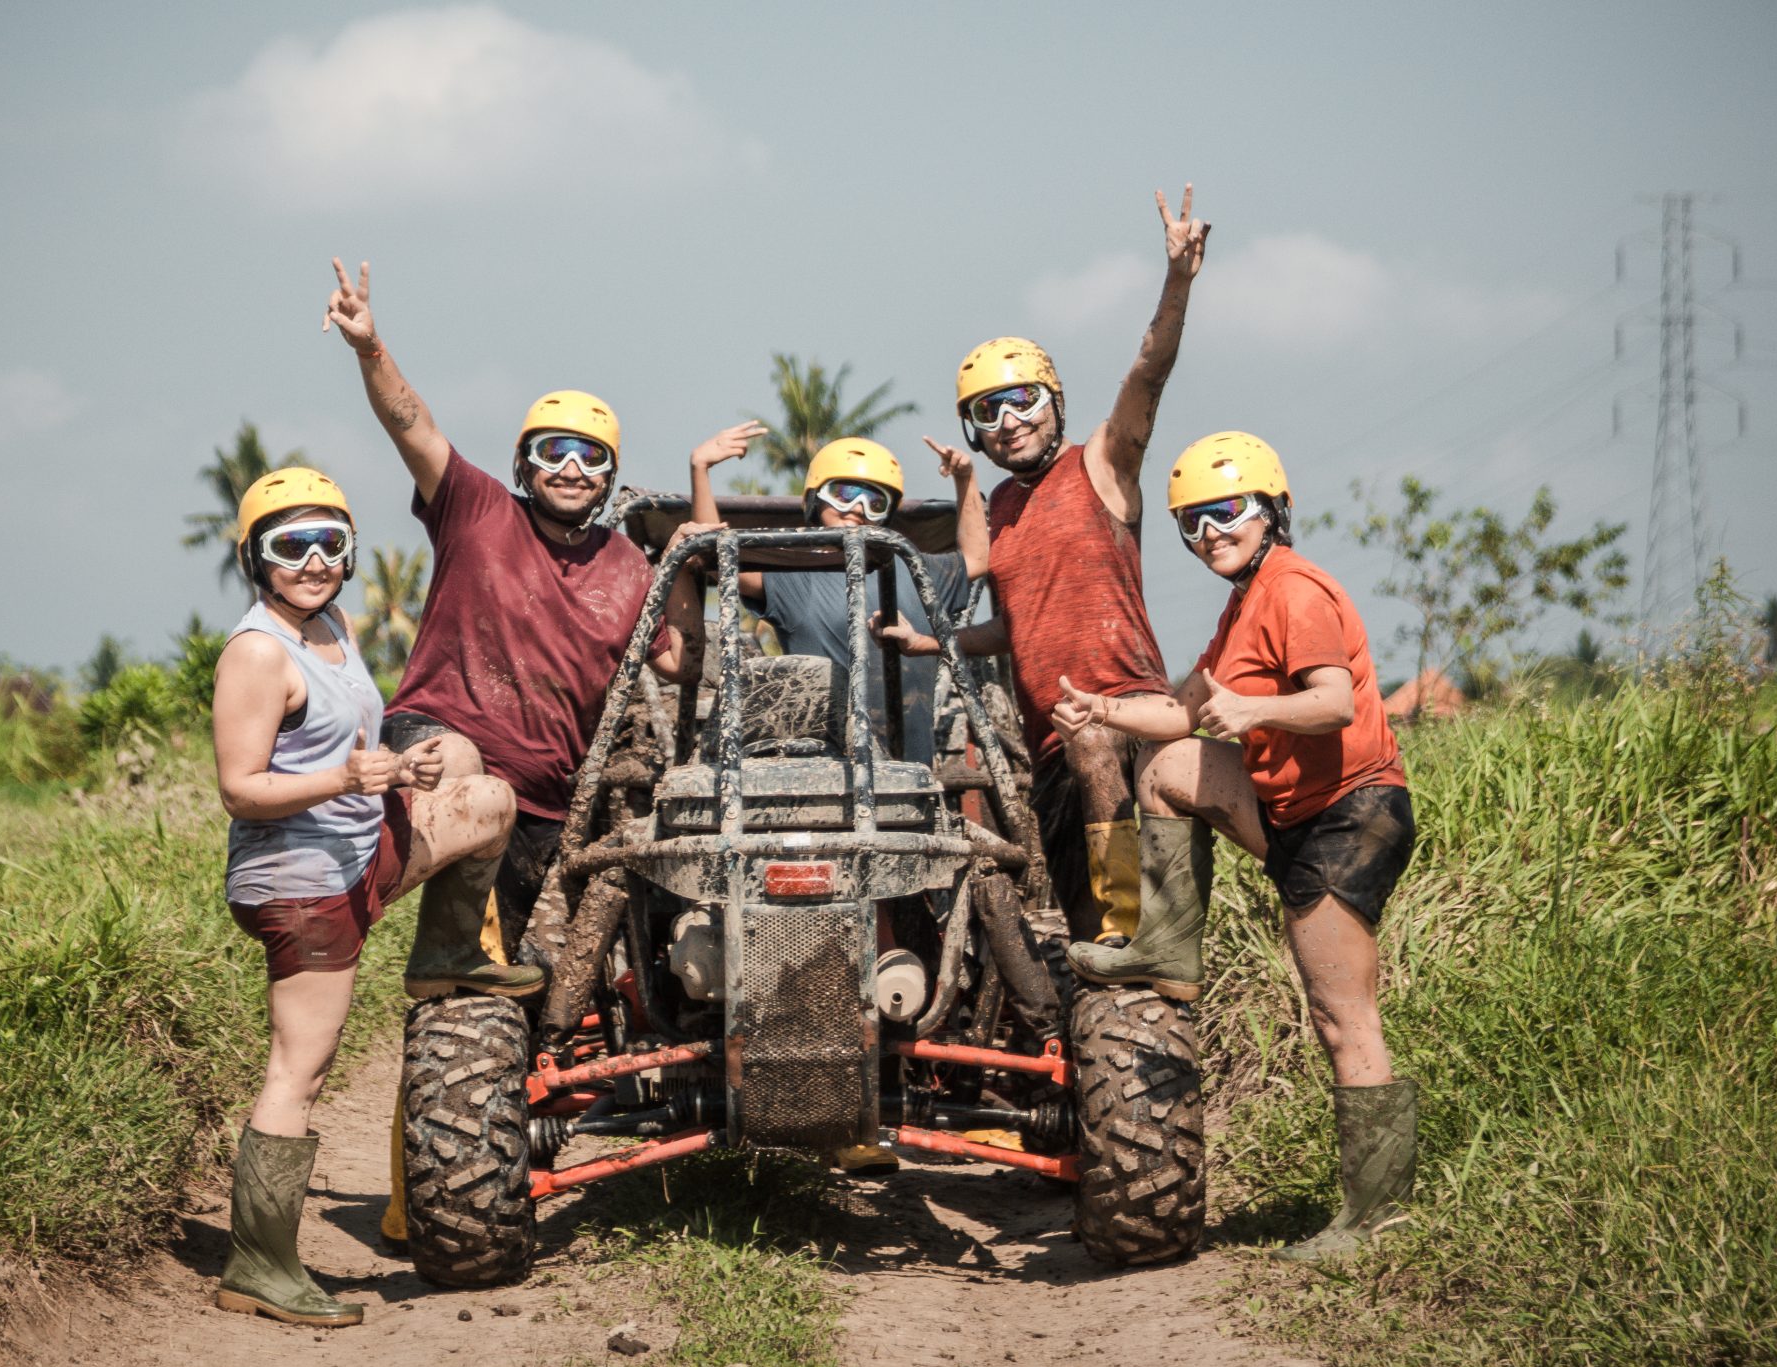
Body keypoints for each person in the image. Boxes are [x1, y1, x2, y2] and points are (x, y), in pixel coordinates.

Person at [1052, 432, 1418, 1261]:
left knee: (1342, 1015)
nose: (1210, 532)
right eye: (1192, 523)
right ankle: (1168, 946)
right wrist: (1099, 712)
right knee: (1170, 767)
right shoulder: (1242, 606)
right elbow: (1179, 714)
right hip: (1292, 811)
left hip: (1348, 814)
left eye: (1227, 511)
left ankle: (1379, 1217)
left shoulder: (1294, 589)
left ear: (1272, 510)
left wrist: (1256, 715)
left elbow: (1331, 703)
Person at [208, 466, 526, 1326]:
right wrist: (342, 776)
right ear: (255, 557)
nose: (312, 562)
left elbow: (355, 741)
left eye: (329, 543)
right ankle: (258, 1264)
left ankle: (447, 951)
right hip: (302, 882)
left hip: (359, 847)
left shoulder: (332, 627)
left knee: (485, 795)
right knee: (298, 1070)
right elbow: (240, 789)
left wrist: (399, 767)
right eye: (290, 545)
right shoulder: (258, 652)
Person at [322, 257, 703, 965]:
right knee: (463, 762)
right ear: (523, 464)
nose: (570, 467)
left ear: (608, 476)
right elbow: (412, 425)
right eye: (552, 450)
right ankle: (334, 904)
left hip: (542, 810)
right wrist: (370, 346)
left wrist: (686, 564)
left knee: (493, 985)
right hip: (440, 743)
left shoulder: (628, 566)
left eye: (590, 456)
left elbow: (681, 660)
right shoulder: (477, 508)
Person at [877, 187, 1209, 942]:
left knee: (1140, 928)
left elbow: (1148, 375)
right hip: (1054, 749)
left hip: (1131, 727)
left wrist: (1178, 282)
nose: (1008, 421)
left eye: (1022, 399)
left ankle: (1144, 936)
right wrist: (935, 643)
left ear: (1054, 399)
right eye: (987, 411)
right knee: (1093, 941)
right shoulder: (998, 511)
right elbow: (1016, 623)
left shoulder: (1102, 463)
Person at [687, 425, 988, 764]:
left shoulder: (911, 566)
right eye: (844, 493)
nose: (858, 508)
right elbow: (719, 560)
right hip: (825, 768)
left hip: (908, 770)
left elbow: (976, 559)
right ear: (816, 497)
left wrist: (966, 478)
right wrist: (701, 469)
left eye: (875, 501)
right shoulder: (796, 575)